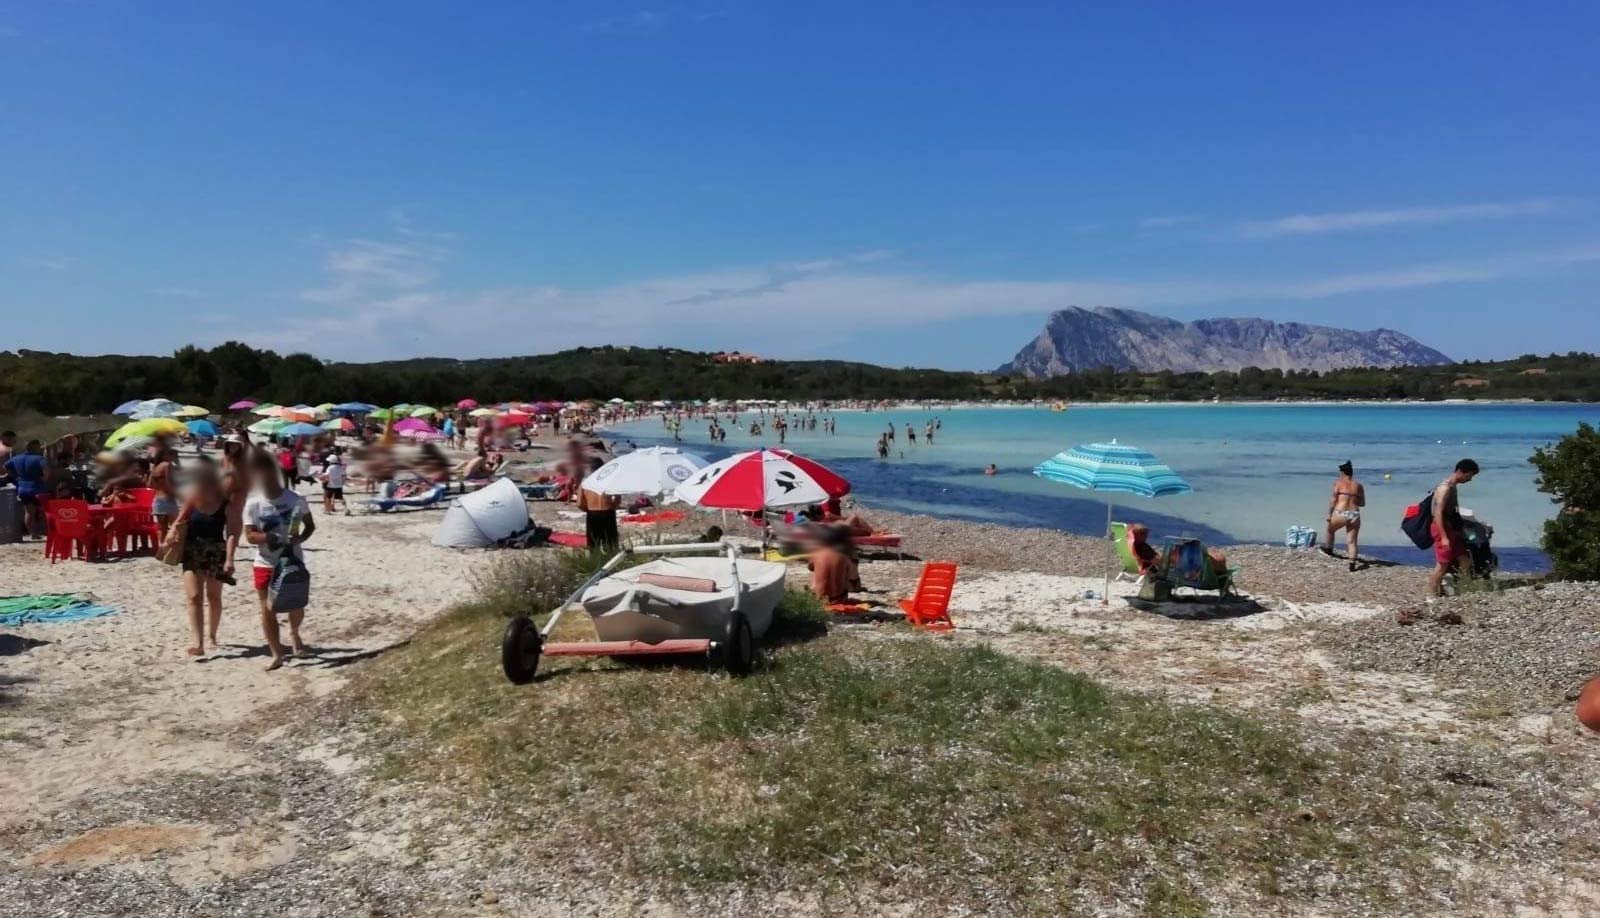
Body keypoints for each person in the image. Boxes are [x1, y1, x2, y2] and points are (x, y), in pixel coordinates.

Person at [244, 448, 316, 671]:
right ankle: (276, 653)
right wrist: (270, 537)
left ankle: (294, 633)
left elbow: (310, 525)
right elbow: (249, 536)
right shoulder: (253, 503)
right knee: (267, 609)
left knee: (296, 603)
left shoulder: (295, 499)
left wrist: (299, 539)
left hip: (293, 560)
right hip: (265, 563)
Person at [166, 457, 238, 657]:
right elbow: (179, 521)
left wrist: (230, 558)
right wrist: (171, 534)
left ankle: (212, 635)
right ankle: (197, 641)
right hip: (192, 551)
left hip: (216, 552)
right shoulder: (193, 498)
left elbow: (232, 532)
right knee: (194, 597)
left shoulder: (226, 502)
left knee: (214, 597)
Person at [1428, 459, 1480, 597]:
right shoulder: (1444, 488)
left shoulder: (1453, 486)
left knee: (1465, 560)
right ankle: (1433, 596)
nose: (1470, 479)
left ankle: (1458, 588)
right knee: (1442, 566)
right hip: (1442, 529)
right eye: (1469, 475)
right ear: (1460, 472)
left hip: (1452, 529)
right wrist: (1444, 537)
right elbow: (1438, 513)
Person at [1323, 460, 1366, 572]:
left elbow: (1333, 501)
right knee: (1352, 541)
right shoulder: (1359, 485)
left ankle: (1329, 549)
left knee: (1330, 530)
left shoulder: (1338, 483)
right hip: (1354, 514)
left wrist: (1329, 514)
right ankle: (1352, 563)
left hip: (1341, 512)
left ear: (1342, 472)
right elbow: (1362, 504)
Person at [4, 439, 47, 538]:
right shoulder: (39, 458)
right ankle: (44, 531)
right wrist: (43, 479)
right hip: (38, 488)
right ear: (36, 447)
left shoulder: (16, 458)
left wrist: (15, 476)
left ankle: (33, 533)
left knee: (29, 512)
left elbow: (5, 467)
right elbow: (47, 471)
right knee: (43, 511)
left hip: (23, 488)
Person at [577, 468, 621, 554]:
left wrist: (588, 509)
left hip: (592, 513)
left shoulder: (585, 483)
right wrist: (612, 506)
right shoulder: (610, 481)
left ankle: (595, 563)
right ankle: (611, 563)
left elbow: (579, 503)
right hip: (608, 512)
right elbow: (618, 499)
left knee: (593, 544)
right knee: (610, 543)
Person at [149, 444, 180, 541]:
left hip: (157, 500)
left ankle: (162, 551)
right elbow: (169, 483)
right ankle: (172, 553)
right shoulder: (167, 465)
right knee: (176, 528)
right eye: (170, 453)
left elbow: (150, 485)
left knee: (162, 530)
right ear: (164, 455)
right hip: (168, 500)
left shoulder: (155, 467)